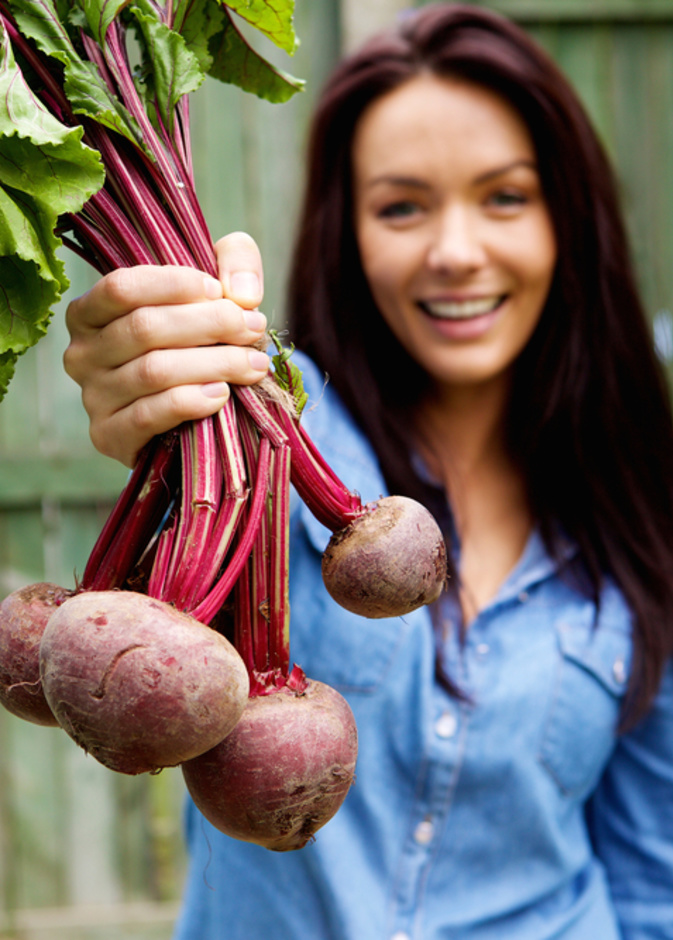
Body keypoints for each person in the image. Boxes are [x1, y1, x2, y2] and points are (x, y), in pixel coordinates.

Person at [63, 4, 673, 938]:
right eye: (401, 206)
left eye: (504, 196)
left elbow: (651, 876)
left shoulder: (640, 494)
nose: (456, 251)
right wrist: (152, 391)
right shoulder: (259, 418)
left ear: (568, 218)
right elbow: (178, 415)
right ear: (345, 233)